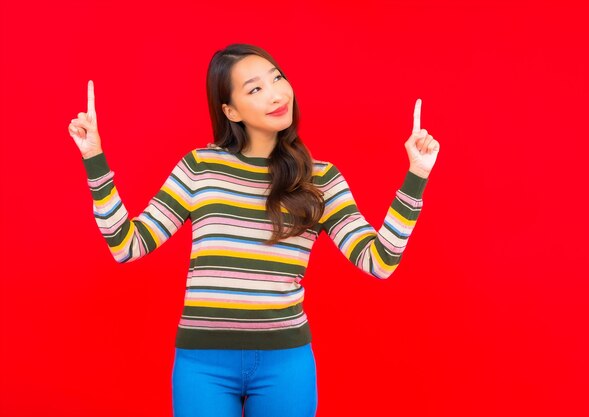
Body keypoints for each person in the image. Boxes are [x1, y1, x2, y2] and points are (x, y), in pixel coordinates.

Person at [67, 43, 440, 417]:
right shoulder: (200, 167)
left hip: (285, 364)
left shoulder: (321, 179)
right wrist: (93, 158)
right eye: (255, 88)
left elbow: (378, 261)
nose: (276, 94)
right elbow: (127, 246)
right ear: (230, 110)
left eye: (277, 78)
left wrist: (417, 176)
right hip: (203, 364)